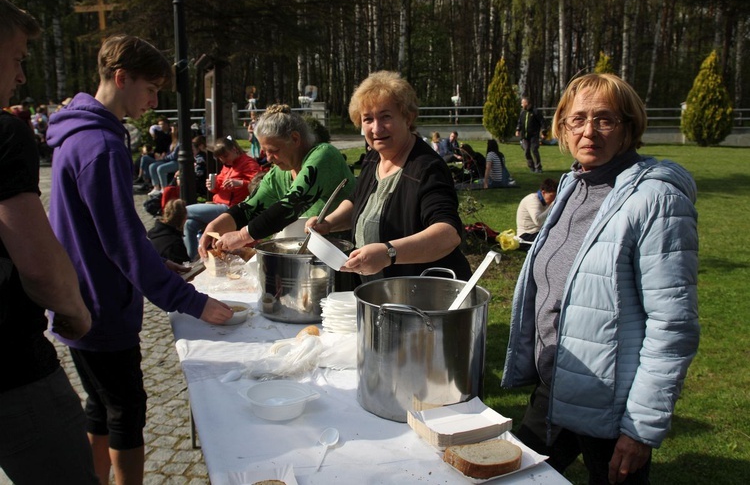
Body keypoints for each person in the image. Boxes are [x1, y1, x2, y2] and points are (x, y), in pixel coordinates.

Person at [46, 34, 233, 485]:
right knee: (126, 412)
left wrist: (153, 261)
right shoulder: (100, 145)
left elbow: (106, 231)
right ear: (120, 78)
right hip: (101, 307)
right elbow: (121, 242)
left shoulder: (76, 136)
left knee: (101, 406)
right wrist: (191, 301)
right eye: (149, 89)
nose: (153, 101)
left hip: (80, 297)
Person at [502, 73, 699, 484]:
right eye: (578, 119)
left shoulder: (656, 201)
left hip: (613, 410)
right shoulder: (574, 185)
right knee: (510, 478)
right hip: (555, 388)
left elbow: (672, 326)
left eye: (605, 119)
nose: (589, 130)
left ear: (629, 128)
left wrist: (640, 429)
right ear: (562, 127)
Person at [0, 0, 99, 483]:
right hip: (12, 372)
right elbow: (37, 264)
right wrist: (76, 312)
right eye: (17, 58)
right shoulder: (5, 133)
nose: (21, 77)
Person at [306, 71, 471, 280]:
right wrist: (328, 223)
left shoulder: (426, 168)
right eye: (368, 119)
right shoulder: (374, 157)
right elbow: (358, 201)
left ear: (407, 117)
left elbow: (448, 234)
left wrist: (388, 253)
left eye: (386, 116)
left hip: (423, 295)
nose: (376, 128)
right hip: (381, 294)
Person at [199, 104, 356, 258]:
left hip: (346, 250)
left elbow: (291, 204)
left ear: (295, 139)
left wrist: (242, 236)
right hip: (314, 253)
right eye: (265, 152)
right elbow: (249, 207)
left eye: (273, 151)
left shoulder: (324, 156)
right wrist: (214, 226)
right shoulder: (279, 173)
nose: (268, 158)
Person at [184, 136, 261, 259]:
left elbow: (259, 184)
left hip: (231, 209)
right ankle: (193, 258)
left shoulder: (248, 163)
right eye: (220, 158)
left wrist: (240, 183)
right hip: (217, 204)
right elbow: (218, 187)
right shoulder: (227, 166)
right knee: (189, 224)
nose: (223, 160)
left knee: (185, 211)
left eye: (225, 156)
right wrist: (212, 187)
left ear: (235, 150)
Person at [515, 178, 557, 248]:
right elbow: (538, 221)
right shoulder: (532, 200)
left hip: (538, 232)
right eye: (552, 196)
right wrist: (553, 205)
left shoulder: (545, 200)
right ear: (543, 193)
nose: (553, 199)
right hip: (527, 235)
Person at [515, 96, 547, 173]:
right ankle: (531, 166)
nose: (521, 105)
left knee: (534, 150)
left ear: (526, 103)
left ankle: (538, 167)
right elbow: (519, 122)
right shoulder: (522, 112)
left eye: (522, 103)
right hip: (524, 137)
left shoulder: (535, 112)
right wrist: (517, 130)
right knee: (526, 151)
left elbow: (542, 122)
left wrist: (543, 132)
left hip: (534, 136)